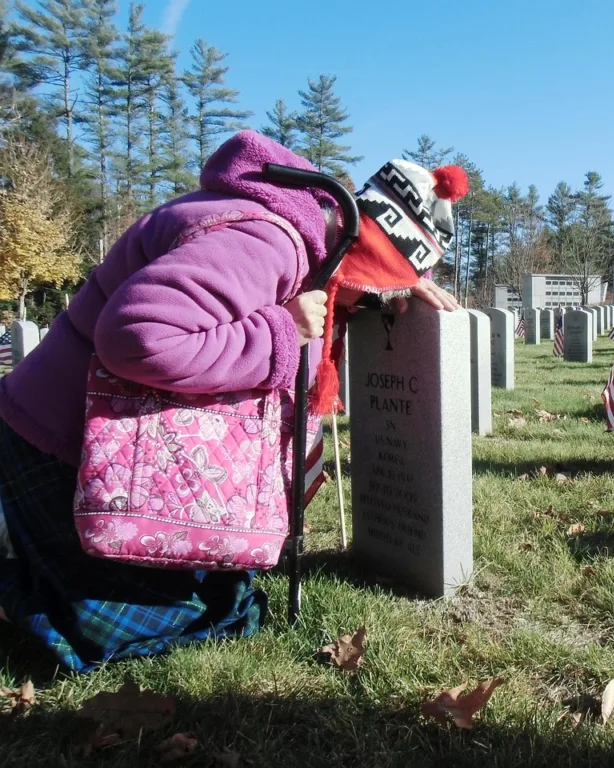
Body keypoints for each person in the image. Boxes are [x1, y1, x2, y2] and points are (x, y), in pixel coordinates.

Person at [0, 130, 466, 672]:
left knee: (229, 593)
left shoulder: (298, 230)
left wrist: (402, 281)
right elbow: (137, 337)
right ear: (355, 255)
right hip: (61, 448)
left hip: (115, 450)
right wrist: (282, 331)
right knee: (167, 620)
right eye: (377, 287)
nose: (369, 304)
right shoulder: (266, 241)